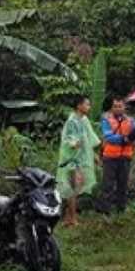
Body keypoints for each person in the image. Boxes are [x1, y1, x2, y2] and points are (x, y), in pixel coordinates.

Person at [57, 95, 101, 227]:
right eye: (86, 104)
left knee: (76, 187)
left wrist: (94, 155)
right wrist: (74, 143)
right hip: (72, 159)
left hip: (82, 158)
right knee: (74, 187)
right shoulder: (72, 121)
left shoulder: (84, 120)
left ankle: (67, 217)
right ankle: (72, 218)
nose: (89, 107)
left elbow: (88, 139)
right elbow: (68, 140)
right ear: (79, 106)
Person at [98, 97, 135, 215]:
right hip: (110, 156)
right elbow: (108, 137)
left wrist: (127, 139)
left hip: (125, 156)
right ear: (111, 107)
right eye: (115, 106)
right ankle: (106, 210)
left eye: (120, 106)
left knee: (123, 184)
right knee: (107, 185)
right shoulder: (106, 120)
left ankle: (121, 209)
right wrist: (124, 139)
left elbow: (134, 135)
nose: (118, 108)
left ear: (124, 107)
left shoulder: (131, 121)